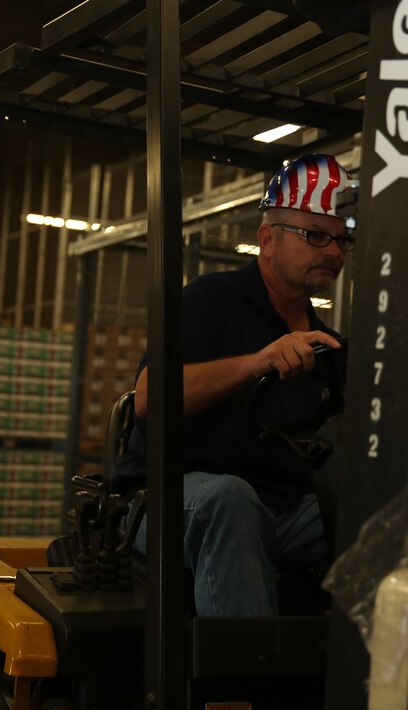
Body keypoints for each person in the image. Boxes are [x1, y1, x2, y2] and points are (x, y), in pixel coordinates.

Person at [111, 153, 356, 617]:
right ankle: (242, 682)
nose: (334, 251)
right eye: (317, 235)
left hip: (280, 507)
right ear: (267, 239)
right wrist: (256, 363)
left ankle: (361, 684)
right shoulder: (210, 300)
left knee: (373, 514)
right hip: (170, 500)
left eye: (343, 240)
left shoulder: (324, 343)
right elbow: (148, 399)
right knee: (230, 501)